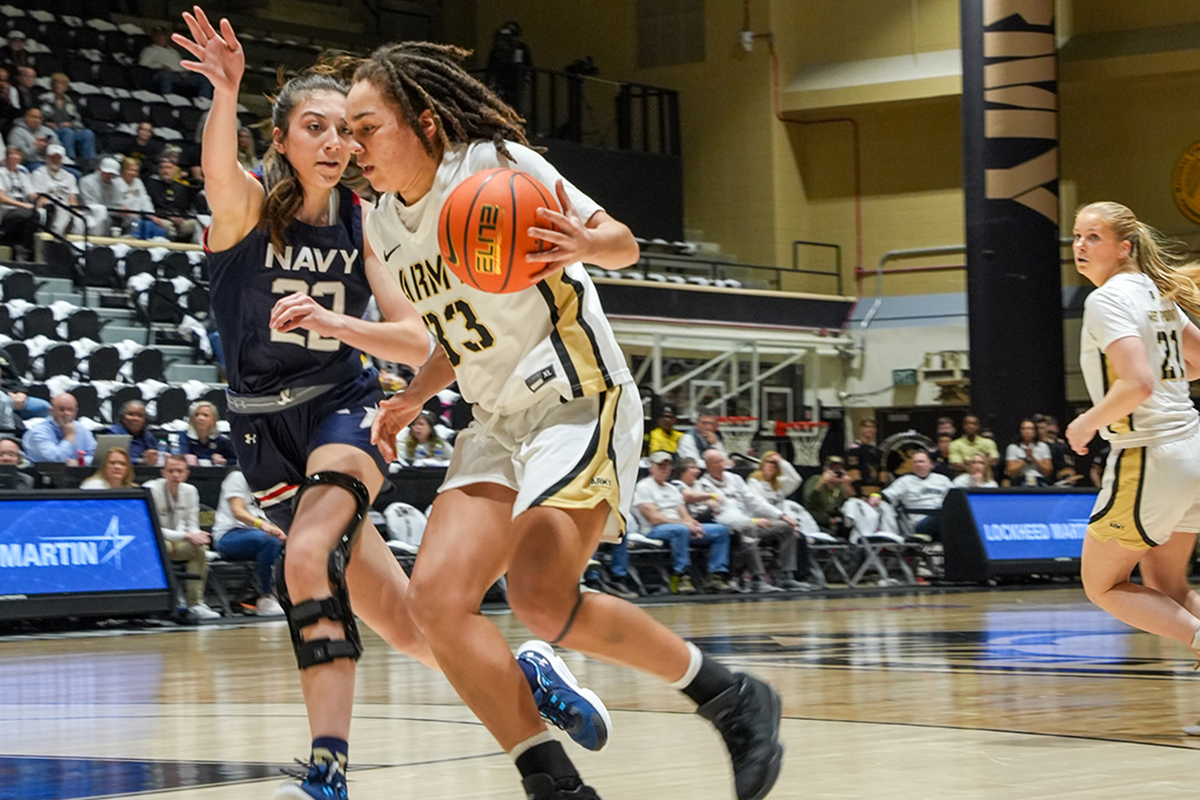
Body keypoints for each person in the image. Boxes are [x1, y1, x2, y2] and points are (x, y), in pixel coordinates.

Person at [301, 40, 786, 800]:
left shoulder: (495, 166)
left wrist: (584, 243)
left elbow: (622, 244)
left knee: (539, 596)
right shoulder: (386, 224)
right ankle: (553, 783)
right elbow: (460, 336)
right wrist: (415, 394)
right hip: (495, 420)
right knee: (435, 604)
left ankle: (729, 697)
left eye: (367, 128)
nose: (353, 145)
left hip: (575, 397)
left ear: (424, 123)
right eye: (348, 132)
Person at [173, 12, 609, 798]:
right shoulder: (246, 212)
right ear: (282, 140)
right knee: (410, 629)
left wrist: (340, 324)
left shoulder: (364, 224)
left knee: (306, 557)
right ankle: (530, 674)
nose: (335, 143)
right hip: (262, 430)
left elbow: (416, 340)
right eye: (315, 128)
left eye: (346, 130)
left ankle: (328, 770)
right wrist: (227, 89)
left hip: (343, 410)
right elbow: (214, 170)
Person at [1064, 202, 1200, 701]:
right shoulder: (1153, 292)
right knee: (1167, 586)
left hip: (1151, 455)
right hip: (1192, 448)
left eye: (1093, 237)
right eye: (1076, 236)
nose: (1080, 246)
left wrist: (1085, 422)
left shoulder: (1107, 300)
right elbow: (1197, 360)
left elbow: (1137, 383)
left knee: (1102, 585)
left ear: (1124, 247)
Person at [698, 448, 805, 592]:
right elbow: (723, 515)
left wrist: (781, 515)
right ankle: (758, 579)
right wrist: (753, 521)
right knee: (748, 534)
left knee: (785, 527)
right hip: (729, 527)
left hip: (748, 522)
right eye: (717, 462)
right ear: (708, 465)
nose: (722, 465)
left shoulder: (735, 479)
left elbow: (755, 501)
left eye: (722, 461)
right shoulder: (703, 485)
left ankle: (786, 576)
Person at [631, 450, 733, 594]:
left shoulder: (672, 489)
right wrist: (684, 524)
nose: (663, 469)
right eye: (660, 465)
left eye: (666, 466)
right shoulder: (644, 487)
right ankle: (682, 575)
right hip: (653, 530)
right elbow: (654, 518)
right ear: (651, 467)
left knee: (721, 531)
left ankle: (716, 576)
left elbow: (684, 514)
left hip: (678, 527)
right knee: (681, 530)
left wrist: (694, 525)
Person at [145, 453, 218, 619]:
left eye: (179, 471)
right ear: (163, 473)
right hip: (153, 541)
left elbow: (192, 525)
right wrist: (186, 535)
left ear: (186, 474)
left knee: (199, 548)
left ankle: (195, 603)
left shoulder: (191, 491)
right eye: (171, 471)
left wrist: (198, 536)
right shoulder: (151, 489)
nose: (175, 475)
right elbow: (153, 528)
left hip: (176, 540)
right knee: (167, 546)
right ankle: (168, 599)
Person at [211, 466, 285, 614]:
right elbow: (238, 511)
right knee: (269, 541)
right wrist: (262, 525)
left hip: (257, 534)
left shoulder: (267, 482)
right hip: (229, 535)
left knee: (293, 541)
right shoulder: (237, 476)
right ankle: (265, 597)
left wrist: (283, 531)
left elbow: (271, 514)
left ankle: (287, 596)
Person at [881, 450, 953, 539]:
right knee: (943, 517)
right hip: (920, 522)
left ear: (930, 464)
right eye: (915, 462)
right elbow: (886, 495)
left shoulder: (943, 480)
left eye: (921, 461)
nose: (918, 464)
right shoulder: (904, 481)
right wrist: (876, 496)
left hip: (942, 515)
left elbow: (956, 497)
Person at [22, 392, 95, 465]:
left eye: (70, 410)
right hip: (45, 471)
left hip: (78, 471)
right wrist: (69, 436)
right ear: (51, 411)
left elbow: (97, 456)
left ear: (76, 412)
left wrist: (80, 462)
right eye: (62, 409)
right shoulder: (39, 432)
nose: (67, 413)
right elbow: (56, 461)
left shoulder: (81, 428)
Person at [140, 24, 212, 98]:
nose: (160, 38)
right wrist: (161, 67)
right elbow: (143, 64)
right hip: (164, 74)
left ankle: (203, 100)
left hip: (181, 75)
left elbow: (179, 63)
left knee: (203, 79)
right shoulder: (149, 50)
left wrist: (185, 70)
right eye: (158, 36)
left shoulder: (173, 51)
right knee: (165, 76)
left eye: (163, 35)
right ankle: (168, 97)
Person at [39, 73, 96, 164]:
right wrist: (48, 124)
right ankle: (69, 161)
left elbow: (77, 120)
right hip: (53, 130)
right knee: (67, 132)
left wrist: (71, 124)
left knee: (88, 133)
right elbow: (39, 118)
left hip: (70, 128)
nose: (59, 86)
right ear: (52, 85)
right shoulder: (45, 99)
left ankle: (90, 161)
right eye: (57, 83)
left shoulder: (69, 102)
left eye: (62, 84)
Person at [31, 144, 85, 236]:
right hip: (49, 207)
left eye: (58, 158)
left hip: (66, 206)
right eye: (53, 157)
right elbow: (41, 199)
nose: (55, 160)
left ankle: (76, 242)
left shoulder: (70, 177)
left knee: (80, 218)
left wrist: (73, 212)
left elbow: (72, 198)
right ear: (47, 158)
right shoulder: (38, 174)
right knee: (61, 212)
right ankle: (56, 240)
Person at [145, 155, 196, 241]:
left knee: (196, 223)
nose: (165, 171)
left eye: (168, 168)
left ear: (174, 170)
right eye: (162, 168)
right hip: (161, 218)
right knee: (169, 227)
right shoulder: (151, 185)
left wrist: (180, 217)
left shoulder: (180, 187)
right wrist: (169, 216)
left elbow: (184, 206)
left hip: (179, 218)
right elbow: (155, 206)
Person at [114, 155, 166, 239]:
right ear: (123, 170)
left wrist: (152, 215)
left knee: (158, 228)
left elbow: (144, 199)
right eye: (130, 170)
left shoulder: (138, 182)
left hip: (138, 218)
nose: (133, 173)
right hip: (121, 219)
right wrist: (121, 209)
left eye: (136, 171)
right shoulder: (115, 182)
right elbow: (113, 203)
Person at [0, 145, 36, 259]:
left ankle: (25, 249)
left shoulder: (23, 173)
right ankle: (21, 249)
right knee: (27, 214)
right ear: (7, 157)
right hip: (6, 211)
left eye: (18, 154)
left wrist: (41, 200)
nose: (15, 157)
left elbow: (32, 194)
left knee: (39, 214)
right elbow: (1, 197)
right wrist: (23, 205)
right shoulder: (1, 172)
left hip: (24, 209)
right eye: (12, 154)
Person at [800, 455, 853, 532]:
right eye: (833, 468)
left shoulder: (841, 486)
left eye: (839, 468)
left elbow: (850, 502)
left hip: (838, 520)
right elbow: (807, 499)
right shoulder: (815, 479)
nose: (836, 472)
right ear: (826, 469)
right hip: (817, 518)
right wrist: (821, 482)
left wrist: (846, 485)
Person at [178, 400, 237, 465]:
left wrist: (224, 461)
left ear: (213, 420)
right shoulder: (185, 436)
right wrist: (210, 458)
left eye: (205, 415)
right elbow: (183, 457)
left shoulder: (221, 440)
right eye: (196, 415)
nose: (200, 418)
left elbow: (235, 460)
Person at [108, 399, 161, 466]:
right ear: (122, 417)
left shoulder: (147, 435)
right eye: (131, 414)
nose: (135, 418)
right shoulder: (113, 433)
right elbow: (110, 460)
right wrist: (141, 461)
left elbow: (159, 454)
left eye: (140, 416)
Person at [79, 157, 124, 235]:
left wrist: (120, 210)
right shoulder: (86, 181)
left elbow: (117, 203)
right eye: (107, 173)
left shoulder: (116, 184)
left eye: (112, 174)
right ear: (100, 170)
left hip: (111, 214)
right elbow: (90, 205)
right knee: (105, 220)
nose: (109, 176)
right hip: (89, 214)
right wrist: (115, 210)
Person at [1004, 418, 1052, 486]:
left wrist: (1033, 458)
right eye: (1024, 429)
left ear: (1035, 431)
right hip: (1020, 480)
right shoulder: (1013, 447)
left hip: (1039, 479)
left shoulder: (1043, 446)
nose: (1027, 431)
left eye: (1030, 429)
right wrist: (1026, 459)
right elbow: (1011, 472)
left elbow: (1048, 471)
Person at [845, 417, 882, 492]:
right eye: (867, 427)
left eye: (873, 427)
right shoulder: (854, 449)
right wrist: (860, 492)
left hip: (876, 489)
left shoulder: (877, 450)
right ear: (861, 429)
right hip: (862, 489)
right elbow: (853, 474)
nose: (870, 430)